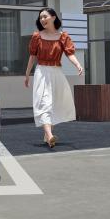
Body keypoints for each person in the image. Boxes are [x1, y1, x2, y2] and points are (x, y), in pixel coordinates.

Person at [24, 8, 83, 148]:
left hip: (57, 73)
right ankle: (50, 135)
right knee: (44, 103)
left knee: (53, 104)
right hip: (42, 72)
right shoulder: (37, 36)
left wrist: (78, 64)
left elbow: (69, 53)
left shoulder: (63, 36)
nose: (42, 20)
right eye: (40, 18)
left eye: (45, 16)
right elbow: (32, 57)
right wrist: (27, 74)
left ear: (53, 17)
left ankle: (47, 135)